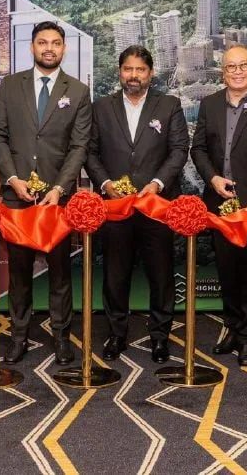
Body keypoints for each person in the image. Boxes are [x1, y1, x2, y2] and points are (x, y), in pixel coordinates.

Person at [0, 21, 91, 365]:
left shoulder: (77, 91)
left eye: (56, 43)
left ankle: (61, 337)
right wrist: (12, 178)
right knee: (19, 273)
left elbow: (79, 146)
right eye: (42, 42)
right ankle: (19, 337)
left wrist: (60, 187)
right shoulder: (9, 86)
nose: (49, 48)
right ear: (31, 47)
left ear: (64, 49)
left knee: (60, 273)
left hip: (56, 200)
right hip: (17, 197)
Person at [86, 45, 189, 364]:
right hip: (115, 206)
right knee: (115, 274)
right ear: (120, 72)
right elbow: (90, 152)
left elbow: (178, 149)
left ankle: (160, 337)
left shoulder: (169, 105)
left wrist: (156, 185)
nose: (134, 75)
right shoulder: (101, 107)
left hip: (156, 205)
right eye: (128, 69)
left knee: (161, 274)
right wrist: (106, 184)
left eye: (140, 70)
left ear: (150, 73)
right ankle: (116, 334)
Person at [191, 45, 247, 367]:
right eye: (231, 67)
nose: (238, 71)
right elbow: (198, 149)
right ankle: (232, 327)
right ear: (223, 72)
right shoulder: (209, 104)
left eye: (244, 65)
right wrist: (213, 179)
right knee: (227, 270)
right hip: (219, 202)